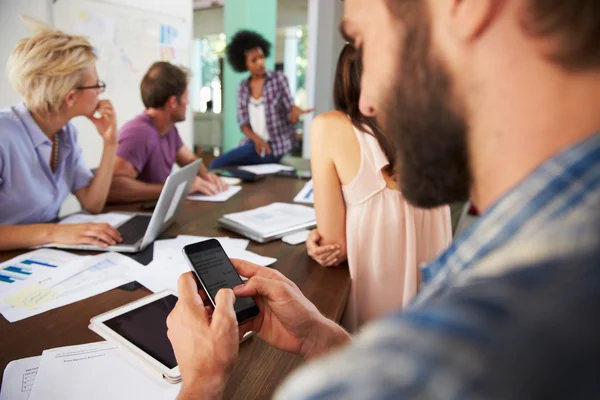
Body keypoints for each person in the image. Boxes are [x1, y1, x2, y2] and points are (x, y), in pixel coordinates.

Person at [167, 0, 600, 398]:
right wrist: (323, 338)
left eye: (364, 42)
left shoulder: (405, 376)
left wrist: (202, 383)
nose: (368, 101)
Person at [307, 44, 451, 331]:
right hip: (437, 320)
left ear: (346, 77)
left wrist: (316, 241)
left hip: (377, 327)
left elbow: (335, 246)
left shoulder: (330, 127)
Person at [0, 29, 122, 251]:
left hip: (40, 258)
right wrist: (54, 232)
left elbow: (93, 204)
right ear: (71, 97)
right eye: (96, 85)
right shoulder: (3, 135)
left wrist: (110, 143)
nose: (100, 92)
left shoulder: (66, 134)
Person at [108, 62, 226, 203]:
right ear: (173, 102)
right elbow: (114, 187)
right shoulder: (139, 133)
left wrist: (206, 175)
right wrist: (175, 188)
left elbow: (189, 160)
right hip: (134, 217)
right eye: (185, 97)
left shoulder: (168, 129)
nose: (187, 103)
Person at [209, 30, 314, 169]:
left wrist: (294, 114)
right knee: (227, 165)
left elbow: (289, 110)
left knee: (217, 164)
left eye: (262, 57)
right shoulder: (242, 87)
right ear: (244, 63)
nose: (260, 63)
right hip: (254, 143)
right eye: (254, 60)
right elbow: (243, 121)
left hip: (275, 146)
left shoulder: (279, 79)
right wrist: (257, 139)